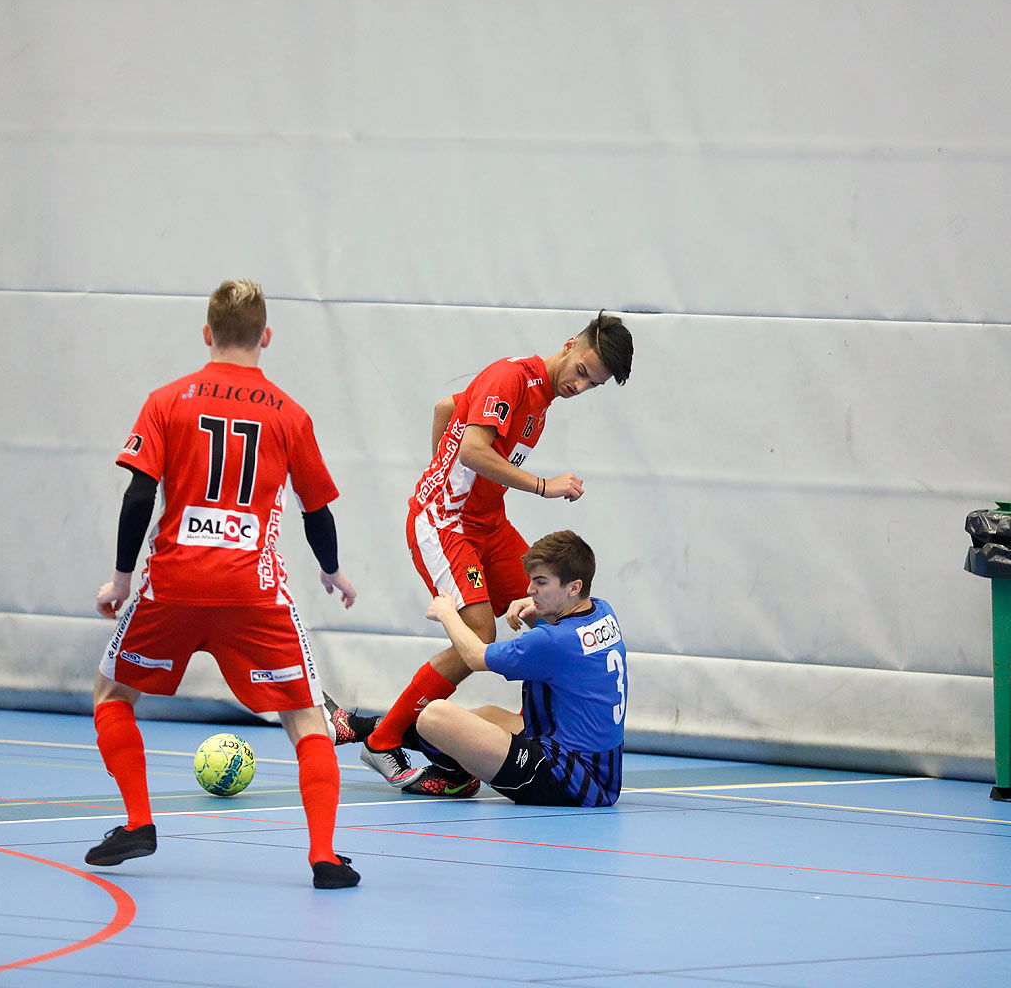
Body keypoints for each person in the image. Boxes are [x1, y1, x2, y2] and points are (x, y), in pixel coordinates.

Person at [85, 279, 361, 889]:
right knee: (307, 720)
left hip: (173, 584)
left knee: (111, 696)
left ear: (207, 334)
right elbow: (317, 509)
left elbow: (138, 494)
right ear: (266, 337)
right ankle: (323, 857)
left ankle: (138, 822)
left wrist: (121, 580)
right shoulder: (290, 413)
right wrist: (331, 568)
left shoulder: (166, 400)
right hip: (253, 591)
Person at [342, 313, 633, 794]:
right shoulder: (512, 378)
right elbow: (473, 451)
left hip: (488, 523)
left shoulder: (543, 398)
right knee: (480, 630)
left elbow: (445, 407)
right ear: (568, 346)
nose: (581, 386)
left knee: (551, 609)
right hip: (446, 521)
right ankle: (382, 740)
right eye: (582, 371)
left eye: (593, 384)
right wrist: (542, 487)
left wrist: (447, 466)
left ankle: (539, 733)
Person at [335, 531, 627, 805]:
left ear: (574, 587)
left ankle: (456, 779)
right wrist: (533, 603)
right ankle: (362, 728)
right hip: (598, 770)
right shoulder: (602, 611)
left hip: (569, 780)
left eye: (540, 582)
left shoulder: (553, 641)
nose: (530, 589)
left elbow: (475, 655)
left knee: (435, 717)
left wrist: (448, 614)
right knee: (486, 716)